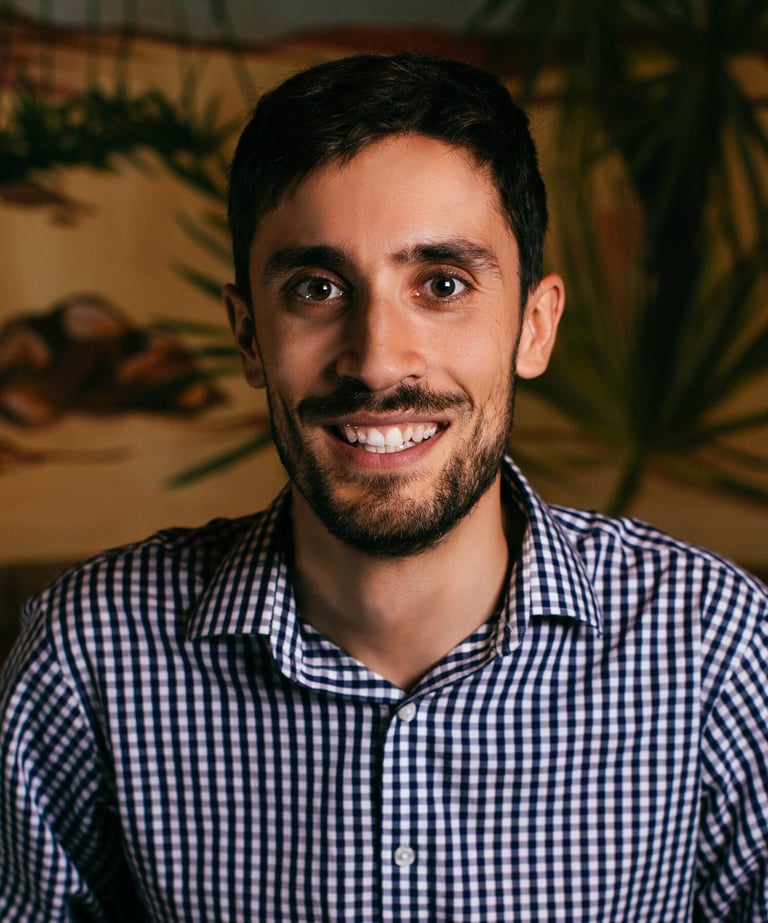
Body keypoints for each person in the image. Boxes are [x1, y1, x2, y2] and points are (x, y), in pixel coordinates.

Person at [1, 52, 767, 923]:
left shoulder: (714, 652)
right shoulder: (92, 659)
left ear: (535, 325)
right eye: (317, 288)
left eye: (442, 285)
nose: (376, 361)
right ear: (248, 335)